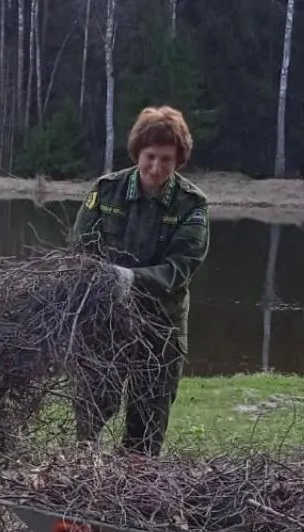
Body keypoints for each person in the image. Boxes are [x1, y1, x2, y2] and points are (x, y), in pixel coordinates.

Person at [69, 106, 210, 456]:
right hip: (106, 319)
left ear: (179, 160)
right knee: (93, 408)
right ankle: (81, 478)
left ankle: (136, 495)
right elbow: (79, 252)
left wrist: (126, 278)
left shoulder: (192, 205)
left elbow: (179, 269)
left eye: (167, 159)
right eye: (150, 157)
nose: (157, 168)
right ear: (138, 153)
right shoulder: (106, 191)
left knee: (147, 424)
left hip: (162, 325)